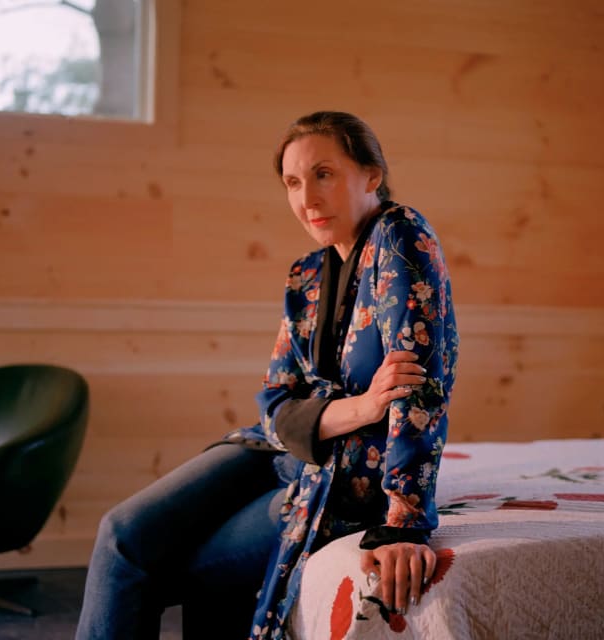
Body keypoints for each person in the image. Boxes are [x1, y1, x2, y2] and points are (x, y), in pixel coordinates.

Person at [75, 111, 459, 640]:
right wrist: (360, 408)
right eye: (293, 183)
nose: (307, 198)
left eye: (323, 174)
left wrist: (404, 524)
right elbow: (273, 399)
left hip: (334, 473)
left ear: (371, 175)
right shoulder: (304, 275)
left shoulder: (402, 237)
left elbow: (420, 395)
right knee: (121, 533)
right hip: (270, 447)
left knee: (170, 564)